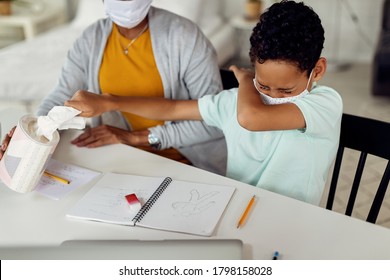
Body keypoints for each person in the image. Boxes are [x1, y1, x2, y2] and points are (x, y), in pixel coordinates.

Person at [64, 0, 343, 205]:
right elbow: (173, 108)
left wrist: (246, 81)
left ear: (317, 71)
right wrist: (109, 102)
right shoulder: (235, 102)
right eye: (263, 84)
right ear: (254, 65)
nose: (271, 94)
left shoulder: (324, 105)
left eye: (285, 89)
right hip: (237, 208)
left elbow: (251, 118)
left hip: (296, 219)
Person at [0, 0, 227, 175]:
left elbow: (215, 122)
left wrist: (136, 138)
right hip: (117, 157)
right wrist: (32, 134)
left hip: (181, 159)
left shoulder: (185, 37)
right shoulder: (91, 39)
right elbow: (61, 95)